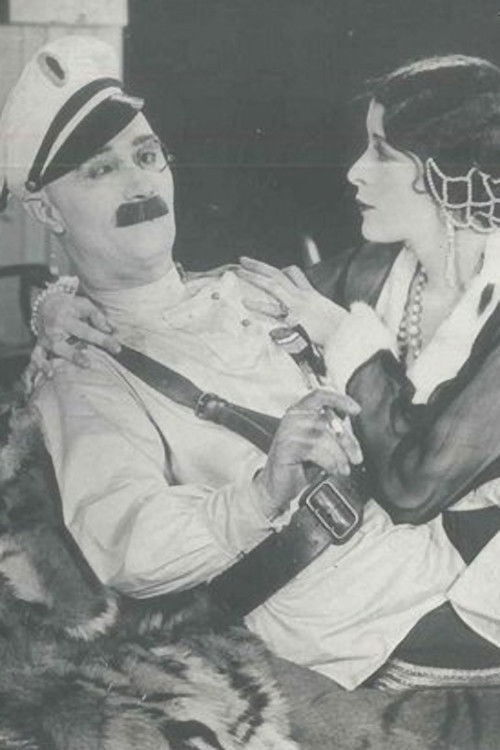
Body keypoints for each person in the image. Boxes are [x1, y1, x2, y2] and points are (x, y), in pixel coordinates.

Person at [1, 37, 498, 692]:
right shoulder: (84, 373)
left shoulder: (250, 289)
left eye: (147, 156)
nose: (140, 184)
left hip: (450, 565)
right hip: (373, 628)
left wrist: (53, 300)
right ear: (44, 209)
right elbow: (127, 544)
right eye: (100, 171)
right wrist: (262, 493)